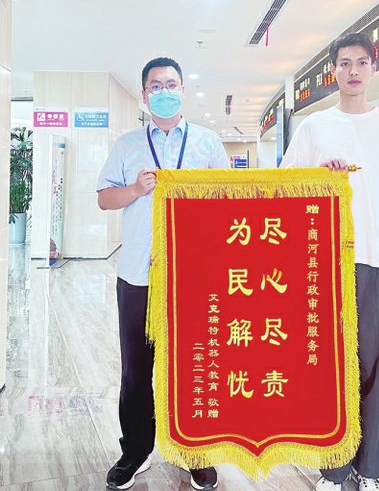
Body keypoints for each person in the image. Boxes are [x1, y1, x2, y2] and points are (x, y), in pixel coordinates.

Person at [280, 33, 379, 491]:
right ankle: (333, 468)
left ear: (374, 68)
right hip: (324, 263)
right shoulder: (314, 128)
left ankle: (370, 469)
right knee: (328, 368)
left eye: (362, 62)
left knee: (377, 366)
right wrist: (319, 176)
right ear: (334, 72)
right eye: (345, 63)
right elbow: (286, 190)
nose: (354, 71)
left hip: (376, 262)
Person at [97, 56, 229, 491]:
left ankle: (196, 452)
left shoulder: (207, 142)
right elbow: (104, 199)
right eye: (156, 86)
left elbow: (230, 201)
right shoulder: (128, 144)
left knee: (194, 366)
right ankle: (135, 451)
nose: (164, 91)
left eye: (172, 84)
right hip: (139, 275)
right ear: (144, 94)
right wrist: (136, 189)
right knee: (137, 371)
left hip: (194, 276)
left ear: (183, 91)